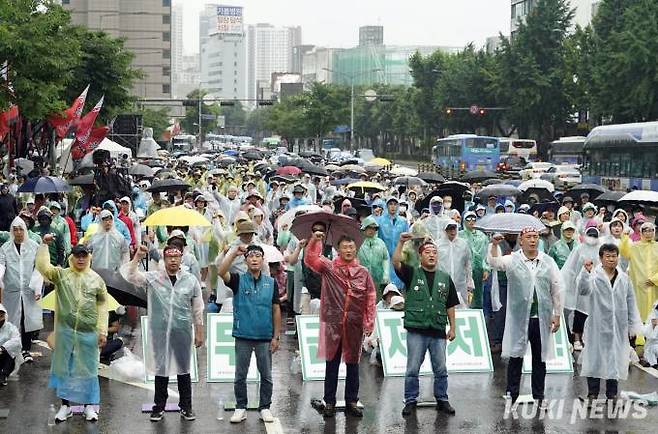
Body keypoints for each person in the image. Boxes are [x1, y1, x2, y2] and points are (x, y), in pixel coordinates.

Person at [122, 245, 204, 422]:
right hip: (159, 331)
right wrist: (137, 257)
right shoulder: (153, 278)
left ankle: (186, 406)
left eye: (176, 257)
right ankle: (159, 407)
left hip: (182, 331)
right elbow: (130, 276)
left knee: (184, 369)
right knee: (161, 368)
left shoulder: (190, 280)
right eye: (169, 257)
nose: (173, 260)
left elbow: (198, 308)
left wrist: (199, 330)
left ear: (181, 258)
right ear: (164, 259)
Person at [487, 227, 562, 407]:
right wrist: (494, 245)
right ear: (521, 240)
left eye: (535, 237)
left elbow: (557, 287)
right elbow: (494, 262)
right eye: (528, 237)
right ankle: (512, 394)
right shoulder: (513, 259)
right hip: (519, 318)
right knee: (516, 356)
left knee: (540, 358)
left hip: (540, 318)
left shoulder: (547, 261)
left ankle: (539, 395)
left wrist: (557, 314)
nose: (533, 240)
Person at [304, 231, 376, 418]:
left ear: (356, 249)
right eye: (344, 247)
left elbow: (370, 296)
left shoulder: (363, 273)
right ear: (338, 250)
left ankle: (352, 401)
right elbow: (311, 259)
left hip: (354, 324)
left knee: (353, 364)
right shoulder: (329, 268)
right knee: (332, 364)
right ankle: (329, 402)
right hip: (333, 324)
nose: (348, 250)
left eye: (351, 247)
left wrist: (369, 321)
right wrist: (315, 240)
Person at [36, 238, 108, 423]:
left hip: (88, 334)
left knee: (89, 370)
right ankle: (65, 406)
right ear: (72, 257)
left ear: (88, 257)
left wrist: (102, 331)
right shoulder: (61, 275)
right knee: (64, 369)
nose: (81, 259)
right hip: (66, 332)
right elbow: (43, 267)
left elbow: (102, 306)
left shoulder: (97, 280)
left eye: (84, 256)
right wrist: (44, 245)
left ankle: (89, 407)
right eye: (77, 256)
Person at [392, 234, 459, 416]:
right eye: (427, 252)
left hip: (438, 330)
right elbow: (396, 263)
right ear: (420, 256)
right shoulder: (412, 273)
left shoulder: (445, 278)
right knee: (413, 368)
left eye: (434, 252)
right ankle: (411, 400)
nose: (431, 255)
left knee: (441, 368)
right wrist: (401, 242)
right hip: (417, 329)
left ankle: (442, 399)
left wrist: (453, 327)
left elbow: (450, 304)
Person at [217, 244, 281, 424]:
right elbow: (221, 272)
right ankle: (241, 407)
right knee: (240, 375)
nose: (254, 259)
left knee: (266, 374)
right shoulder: (238, 280)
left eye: (258, 256)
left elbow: (276, 310)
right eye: (250, 256)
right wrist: (232, 253)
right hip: (243, 335)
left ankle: (265, 407)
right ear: (245, 260)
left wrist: (276, 336)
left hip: (264, 336)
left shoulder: (271, 283)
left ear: (262, 260)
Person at [576, 244, 642, 402]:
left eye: (614, 256)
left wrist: (634, 324)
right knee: (595, 358)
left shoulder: (624, 278)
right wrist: (586, 272)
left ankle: (612, 394)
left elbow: (631, 301)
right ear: (601, 258)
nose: (612, 259)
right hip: (597, 325)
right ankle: (592, 393)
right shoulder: (593, 275)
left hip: (618, 326)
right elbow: (583, 290)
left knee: (615, 357)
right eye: (608, 256)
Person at [0, 217, 43, 363]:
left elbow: (39, 267)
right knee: (12, 320)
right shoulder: (5, 248)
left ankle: (25, 349)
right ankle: (12, 351)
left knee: (27, 319)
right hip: (11, 291)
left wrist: (37, 287)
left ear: (25, 230)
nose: (18, 233)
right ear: (12, 231)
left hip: (28, 290)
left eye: (21, 229)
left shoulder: (33, 246)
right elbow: (1, 267)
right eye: (15, 229)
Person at [620, 222, 658, 323]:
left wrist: (655, 279)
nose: (648, 233)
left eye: (651, 230)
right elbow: (624, 252)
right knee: (639, 314)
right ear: (641, 232)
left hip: (655, 287)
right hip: (639, 286)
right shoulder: (635, 247)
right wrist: (625, 237)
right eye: (645, 230)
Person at [437, 221, 474, 308]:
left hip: (460, 283)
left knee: (461, 306)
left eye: (454, 229)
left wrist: (469, 282)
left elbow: (468, 264)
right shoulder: (438, 245)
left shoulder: (463, 244)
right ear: (445, 230)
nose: (452, 232)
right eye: (450, 229)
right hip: (443, 283)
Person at [357, 216, 390, 300]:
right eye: (369, 228)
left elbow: (385, 258)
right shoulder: (358, 243)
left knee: (376, 300)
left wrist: (386, 274)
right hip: (361, 279)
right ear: (364, 228)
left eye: (374, 228)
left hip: (377, 278)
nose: (372, 230)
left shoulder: (381, 243)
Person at [0, 303, 21, 386]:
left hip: (6, 357)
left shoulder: (11, 328)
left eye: (1, 316)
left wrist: (3, 348)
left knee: (12, 351)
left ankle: (3, 374)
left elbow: (16, 341)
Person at [642, 302, 658, 368]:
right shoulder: (652, 317)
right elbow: (647, 334)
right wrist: (653, 326)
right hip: (651, 346)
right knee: (651, 350)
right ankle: (653, 363)